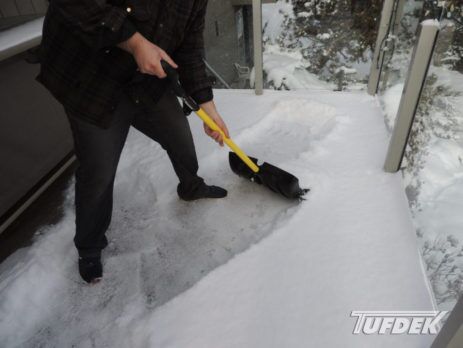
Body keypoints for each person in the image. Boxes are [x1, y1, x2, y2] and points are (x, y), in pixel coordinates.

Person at [37, 0, 230, 284]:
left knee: (180, 137)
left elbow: (189, 47)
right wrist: (134, 41)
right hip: (93, 83)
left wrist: (207, 106)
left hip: (146, 82)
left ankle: (191, 187)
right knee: (99, 170)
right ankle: (89, 247)